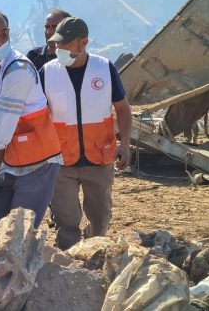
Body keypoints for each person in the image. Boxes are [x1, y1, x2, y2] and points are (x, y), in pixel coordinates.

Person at [40, 17, 132, 250]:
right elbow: (38, 117)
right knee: (66, 221)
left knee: (100, 218)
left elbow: (122, 109)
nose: (58, 49)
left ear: (83, 43)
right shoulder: (47, 72)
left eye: (64, 44)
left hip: (99, 158)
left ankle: (92, 252)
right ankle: (68, 263)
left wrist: (125, 144)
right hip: (61, 161)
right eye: (56, 44)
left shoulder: (104, 68)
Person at [0, 10, 62, 229]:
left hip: (36, 163)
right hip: (8, 163)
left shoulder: (18, 69)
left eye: (4, 34)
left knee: (19, 231)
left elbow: (3, 127)